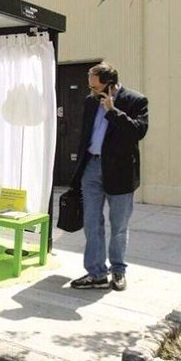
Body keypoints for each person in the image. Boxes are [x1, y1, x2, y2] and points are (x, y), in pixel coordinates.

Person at [70, 62, 148, 291]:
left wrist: (113, 111)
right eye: (90, 87)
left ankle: (118, 271)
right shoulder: (90, 101)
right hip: (92, 168)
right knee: (91, 223)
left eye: (95, 87)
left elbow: (138, 131)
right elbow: (85, 135)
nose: (92, 91)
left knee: (119, 226)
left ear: (110, 85)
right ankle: (96, 273)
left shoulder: (136, 100)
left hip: (120, 172)